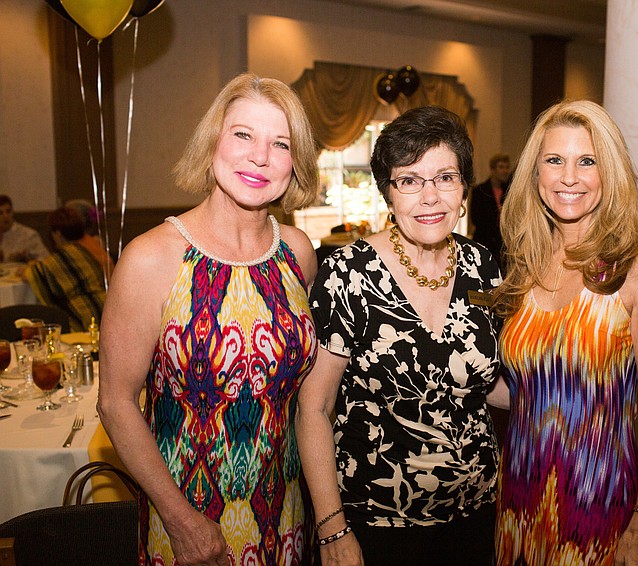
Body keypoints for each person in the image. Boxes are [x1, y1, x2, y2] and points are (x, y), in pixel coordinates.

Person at [97, 73, 320, 566]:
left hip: (286, 513)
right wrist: (181, 521)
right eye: (243, 134)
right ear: (212, 141)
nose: (260, 156)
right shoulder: (151, 257)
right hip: (187, 519)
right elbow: (115, 404)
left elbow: (307, 399)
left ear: (295, 163)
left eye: (279, 143)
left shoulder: (298, 253)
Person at [296, 105, 502, 566]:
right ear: (388, 194)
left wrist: (575, 397)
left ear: (464, 188)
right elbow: (315, 406)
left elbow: (488, 382)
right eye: (409, 180)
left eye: (445, 177)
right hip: (376, 523)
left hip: (475, 513)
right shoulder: (347, 273)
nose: (430, 197)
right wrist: (331, 527)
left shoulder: (483, 266)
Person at [491, 99, 638, 566]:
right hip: (519, 493)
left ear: (609, 173)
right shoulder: (524, 266)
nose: (568, 177)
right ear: (535, 174)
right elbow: (525, 390)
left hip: (601, 500)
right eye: (554, 160)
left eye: (586, 161)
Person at [22, 207, 107, 332]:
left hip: (84, 314)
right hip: (105, 305)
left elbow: (33, 274)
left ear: (57, 234)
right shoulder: (90, 245)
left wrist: (30, 266)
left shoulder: (65, 255)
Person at [470, 152, 511, 267]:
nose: (505, 171)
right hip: (484, 243)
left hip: (503, 246)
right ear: (493, 170)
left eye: (507, 167)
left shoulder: (510, 191)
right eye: (501, 167)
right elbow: (475, 218)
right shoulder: (480, 190)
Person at [0, 194, 49, 262]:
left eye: (8, 211)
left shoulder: (28, 235)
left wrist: (26, 259)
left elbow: (45, 259)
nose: (5, 216)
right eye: (0, 213)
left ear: (13, 212)